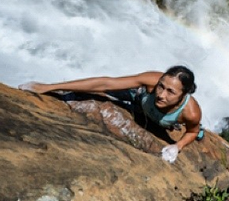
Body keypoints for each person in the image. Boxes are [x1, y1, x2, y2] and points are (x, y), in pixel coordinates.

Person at [18, 66, 203, 163]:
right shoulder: (151, 80)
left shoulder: (191, 112)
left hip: (159, 120)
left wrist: (177, 146)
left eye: (170, 92)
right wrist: (51, 87)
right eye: (161, 86)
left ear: (183, 94)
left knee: (197, 132)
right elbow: (106, 83)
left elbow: (192, 132)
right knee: (98, 92)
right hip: (137, 101)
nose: (161, 94)